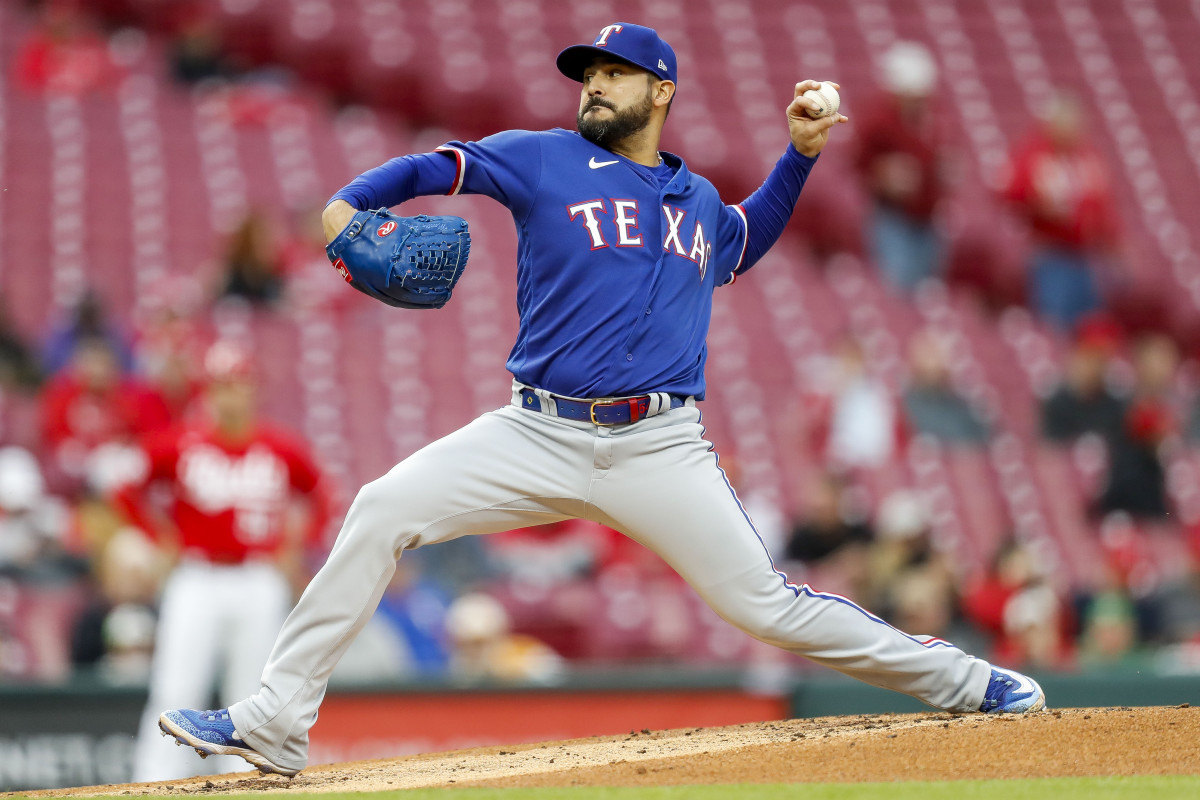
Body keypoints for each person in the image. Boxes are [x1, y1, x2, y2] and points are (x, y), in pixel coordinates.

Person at [158, 23, 1046, 779]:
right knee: (382, 507)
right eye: (587, 74)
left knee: (764, 606)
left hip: (659, 446)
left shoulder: (694, 200)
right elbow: (439, 166)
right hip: (534, 430)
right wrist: (350, 203)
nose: (592, 85)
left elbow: (743, 241)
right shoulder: (543, 158)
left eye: (612, 74)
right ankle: (276, 722)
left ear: (659, 91)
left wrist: (799, 158)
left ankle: (971, 683)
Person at [115, 341, 332, 781]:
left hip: (257, 576)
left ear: (253, 389)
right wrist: (162, 538)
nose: (230, 395)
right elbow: (125, 489)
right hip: (198, 575)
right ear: (208, 391)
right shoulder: (182, 442)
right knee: (176, 686)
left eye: (237, 384)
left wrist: (295, 545)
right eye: (221, 386)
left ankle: (239, 784)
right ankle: (153, 784)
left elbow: (321, 497)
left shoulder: (278, 446)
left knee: (250, 692)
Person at [1001, 92, 1121, 332]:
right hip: (1051, 253)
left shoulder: (1088, 158)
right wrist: (1037, 205)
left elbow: (1104, 205)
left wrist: (1113, 241)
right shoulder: (1034, 154)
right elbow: (1008, 192)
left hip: (1086, 255)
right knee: (1054, 326)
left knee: (1088, 327)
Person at [853, 41, 949, 293]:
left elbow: (939, 158)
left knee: (924, 292)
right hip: (893, 216)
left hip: (927, 216)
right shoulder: (878, 120)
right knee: (896, 290)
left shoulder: (929, 120)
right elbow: (857, 162)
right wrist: (883, 174)